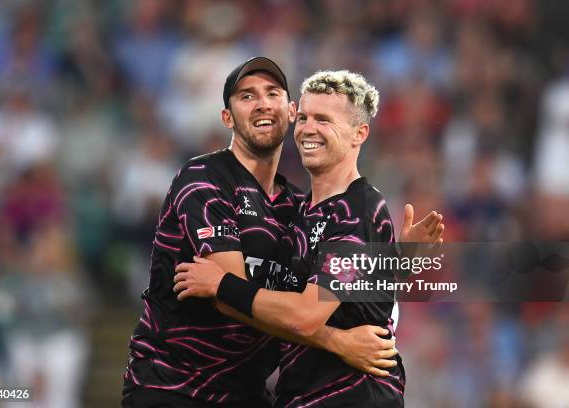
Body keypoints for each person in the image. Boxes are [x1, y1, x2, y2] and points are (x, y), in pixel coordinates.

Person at [122, 58, 410, 408]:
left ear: (287, 111)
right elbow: (227, 294)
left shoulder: (303, 208)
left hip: (251, 394)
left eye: (272, 93)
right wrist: (337, 341)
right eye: (246, 96)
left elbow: (316, 298)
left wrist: (389, 255)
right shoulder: (205, 179)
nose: (261, 103)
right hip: (174, 387)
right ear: (227, 117)